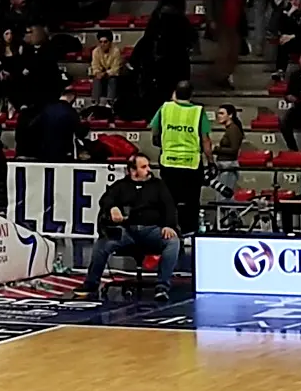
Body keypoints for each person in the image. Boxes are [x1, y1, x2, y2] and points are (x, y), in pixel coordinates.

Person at [77, 153, 179, 303]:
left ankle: (162, 287)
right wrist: (112, 207)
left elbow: (170, 207)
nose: (148, 170)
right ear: (132, 170)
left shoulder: (158, 185)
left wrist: (169, 226)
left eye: (148, 166)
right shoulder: (120, 186)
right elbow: (105, 199)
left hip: (151, 231)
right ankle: (91, 284)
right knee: (102, 244)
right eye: (144, 167)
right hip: (126, 232)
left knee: (173, 242)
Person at [151, 80, 211, 236]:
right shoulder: (198, 111)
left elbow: (155, 130)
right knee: (191, 202)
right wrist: (211, 161)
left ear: (175, 93)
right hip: (191, 164)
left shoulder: (165, 108)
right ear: (191, 95)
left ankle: (168, 230)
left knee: (168, 199)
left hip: (169, 162)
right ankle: (189, 232)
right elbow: (205, 140)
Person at [90, 30, 123, 107]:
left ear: (110, 42)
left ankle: (110, 103)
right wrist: (98, 73)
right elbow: (95, 66)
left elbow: (116, 69)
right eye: (100, 42)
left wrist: (105, 73)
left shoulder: (116, 51)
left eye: (105, 42)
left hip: (113, 76)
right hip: (101, 76)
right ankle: (95, 103)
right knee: (96, 79)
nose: (102, 44)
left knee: (112, 79)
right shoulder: (95, 51)